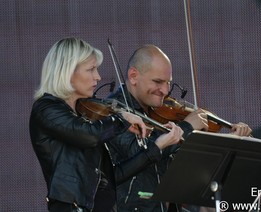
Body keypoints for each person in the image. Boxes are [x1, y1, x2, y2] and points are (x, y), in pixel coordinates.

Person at [29, 38, 183, 212]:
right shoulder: (46, 108)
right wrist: (122, 118)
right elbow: (88, 135)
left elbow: (113, 177)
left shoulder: (83, 114)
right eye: (91, 69)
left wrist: (156, 147)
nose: (98, 76)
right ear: (68, 72)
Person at [106, 44, 252, 211]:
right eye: (158, 81)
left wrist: (231, 140)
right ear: (133, 76)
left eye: (169, 83)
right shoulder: (113, 110)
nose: (166, 90)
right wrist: (188, 126)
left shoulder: (154, 111)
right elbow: (139, 151)